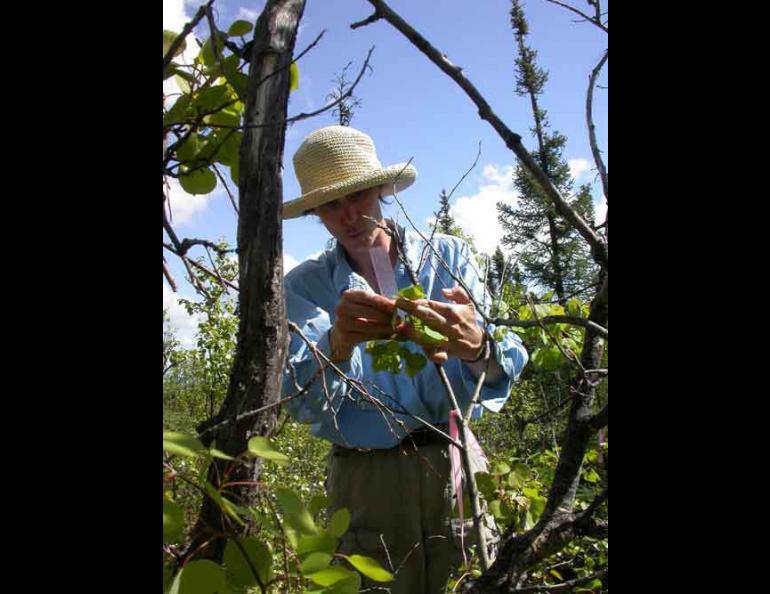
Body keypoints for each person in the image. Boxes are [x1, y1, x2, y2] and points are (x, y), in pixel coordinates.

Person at [281, 125, 528, 593]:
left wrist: (476, 346)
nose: (350, 215)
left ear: (380, 188)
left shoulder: (448, 255)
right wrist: (337, 342)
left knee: (470, 577)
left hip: (453, 463)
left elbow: (501, 367)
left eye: (357, 194)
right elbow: (301, 402)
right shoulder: (304, 288)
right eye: (331, 204)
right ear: (315, 212)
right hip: (364, 481)